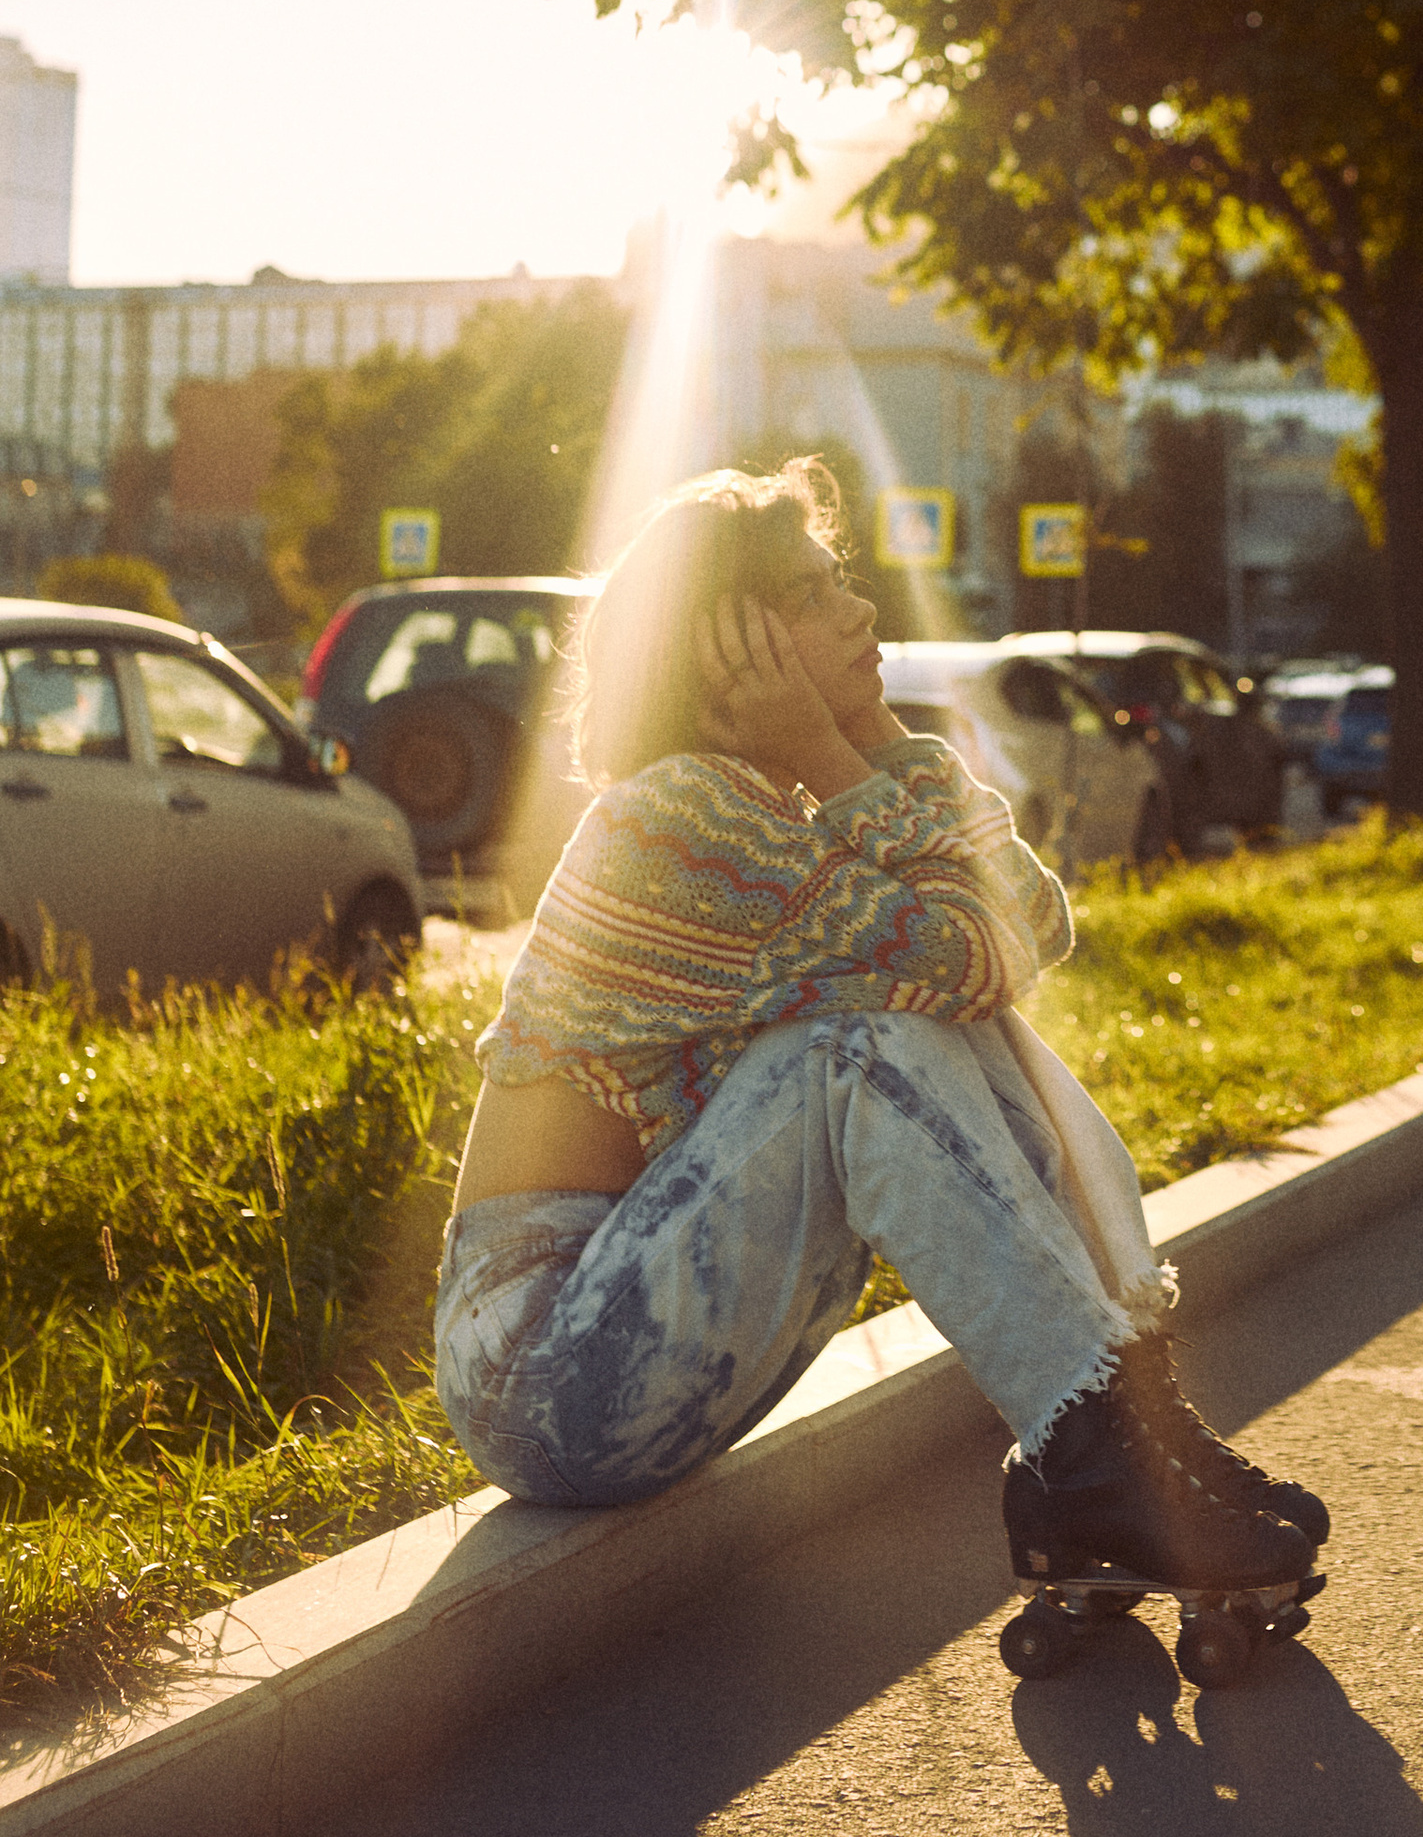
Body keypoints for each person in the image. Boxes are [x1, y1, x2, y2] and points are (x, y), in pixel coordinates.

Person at [434, 459, 1325, 1598]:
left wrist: (879, 747)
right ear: (725, 644)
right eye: (811, 595)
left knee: (938, 1020)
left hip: (641, 1336)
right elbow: (976, 952)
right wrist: (835, 757)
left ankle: (1127, 1425)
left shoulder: (777, 805)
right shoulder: (678, 821)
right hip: (541, 1374)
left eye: (838, 583)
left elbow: (1029, 925)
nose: (859, 610)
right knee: (859, 1041)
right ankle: (1092, 1448)